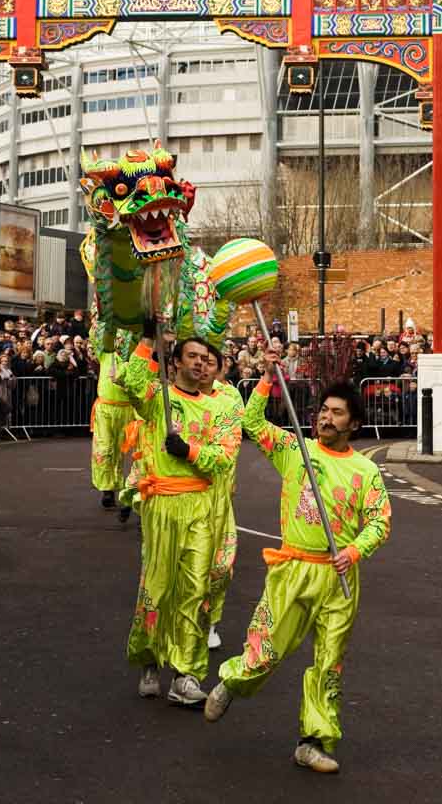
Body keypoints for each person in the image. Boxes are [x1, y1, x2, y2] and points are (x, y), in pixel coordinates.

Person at [204, 354, 391, 775]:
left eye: (337, 413)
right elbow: (252, 424)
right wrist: (269, 378)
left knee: (329, 662)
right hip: (292, 571)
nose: (327, 418)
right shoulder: (295, 451)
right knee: (266, 650)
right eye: (324, 411)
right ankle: (234, 680)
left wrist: (354, 551)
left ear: (354, 425)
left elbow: (380, 520)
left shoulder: (365, 471)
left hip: (339, 577)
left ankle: (314, 741)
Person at [122, 330, 242, 707]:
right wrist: (146, 340)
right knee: (158, 588)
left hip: (201, 506)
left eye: (205, 358)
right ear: (174, 362)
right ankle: (149, 662)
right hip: (163, 507)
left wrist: (189, 450)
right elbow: (131, 381)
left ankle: (186, 674)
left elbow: (224, 455)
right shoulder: (157, 399)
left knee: (195, 591)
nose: (199, 362)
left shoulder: (217, 408)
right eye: (191, 356)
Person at [198, 346, 244, 652]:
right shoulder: (173, 397)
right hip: (183, 496)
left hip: (218, 496)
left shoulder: (230, 398)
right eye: (196, 360)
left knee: (220, 566)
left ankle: (210, 622)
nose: (203, 367)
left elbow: (233, 447)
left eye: (210, 362)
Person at [90, 346, 134, 517]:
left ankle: (128, 490)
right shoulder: (105, 351)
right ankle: (107, 488)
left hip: (129, 408)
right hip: (106, 408)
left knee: (127, 451)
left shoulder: (134, 355)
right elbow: (98, 331)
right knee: (105, 448)